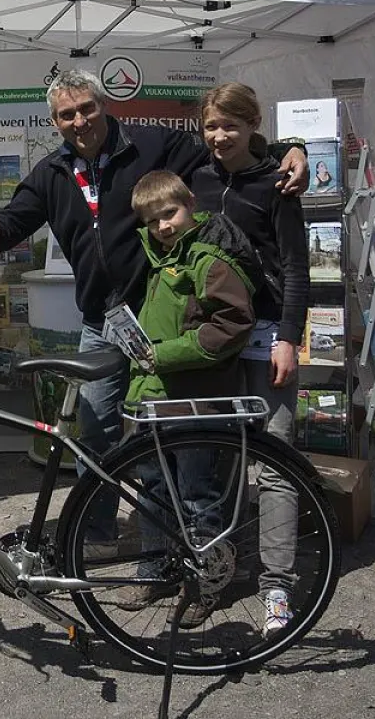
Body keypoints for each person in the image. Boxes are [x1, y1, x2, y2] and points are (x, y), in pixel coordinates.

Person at [0, 69, 306, 549]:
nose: (80, 120)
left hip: (165, 317)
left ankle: (190, 546)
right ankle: (99, 534)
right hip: (104, 323)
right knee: (97, 434)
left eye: (87, 108)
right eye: (67, 114)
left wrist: (288, 149)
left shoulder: (152, 145)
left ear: (104, 105)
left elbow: (228, 152)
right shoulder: (51, 173)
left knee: (180, 440)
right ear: (55, 121)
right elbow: (10, 224)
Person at [189, 81, 311, 637]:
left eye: (230, 126)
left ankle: (277, 588)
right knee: (220, 461)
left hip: (265, 339)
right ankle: (216, 572)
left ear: (252, 125)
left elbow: (294, 267)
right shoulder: (198, 178)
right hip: (214, 340)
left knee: (276, 461)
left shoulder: (277, 183)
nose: (219, 136)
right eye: (211, 126)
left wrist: (289, 335)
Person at [119, 170, 257, 619]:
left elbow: (231, 325)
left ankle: (207, 580)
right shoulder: (158, 260)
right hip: (155, 402)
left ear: (190, 204)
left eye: (170, 214)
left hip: (196, 403)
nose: (163, 226)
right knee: (155, 492)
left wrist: (165, 356)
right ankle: (157, 570)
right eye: (152, 220)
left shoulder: (207, 260)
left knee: (199, 494)